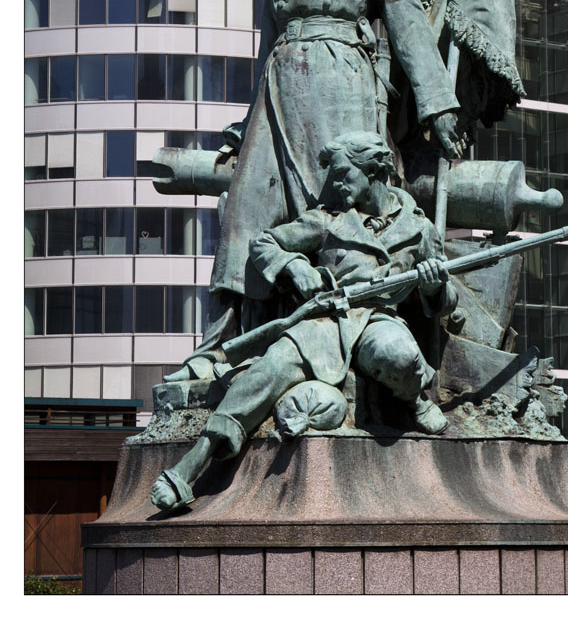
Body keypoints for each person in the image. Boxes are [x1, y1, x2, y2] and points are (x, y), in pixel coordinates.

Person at [166, 0, 466, 381]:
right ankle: (220, 345)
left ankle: (345, 346)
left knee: (333, 218)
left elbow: (411, 36)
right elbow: (266, 48)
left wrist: (438, 108)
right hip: (278, 95)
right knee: (243, 212)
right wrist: (242, 124)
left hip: (342, 93)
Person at [151, 132, 458, 511]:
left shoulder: (419, 227)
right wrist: (294, 265)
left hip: (379, 318)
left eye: (344, 173)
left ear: (375, 171)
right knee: (268, 371)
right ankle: (190, 465)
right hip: (323, 323)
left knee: (397, 353)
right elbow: (265, 243)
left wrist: (433, 286)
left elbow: (447, 302)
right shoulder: (329, 220)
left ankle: (414, 400)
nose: (335, 183)